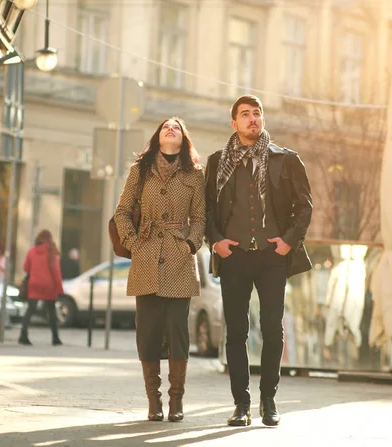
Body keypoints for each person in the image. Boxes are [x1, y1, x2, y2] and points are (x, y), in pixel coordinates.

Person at [205, 95, 313, 427]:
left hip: (271, 258)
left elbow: (305, 207)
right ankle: (241, 404)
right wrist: (216, 241)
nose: (253, 119)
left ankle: (269, 401)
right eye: (245, 114)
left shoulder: (286, 160)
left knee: (272, 330)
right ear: (234, 123)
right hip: (234, 257)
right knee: (236, 332)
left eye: (257, 114)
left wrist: (288, 241)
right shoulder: (216, 162)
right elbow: (205, 209)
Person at [114, 117, 205, 422]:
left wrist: (190, 245)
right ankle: (154, 401)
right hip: (146, 257)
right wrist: (133, 242)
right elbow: (123, 212)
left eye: (177, 127)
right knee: (148, 333)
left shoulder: (195, 175)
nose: (170, 129)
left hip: (180, 260)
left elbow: (200, 219)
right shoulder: (140, 171)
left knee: (178, 332)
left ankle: (176, 400)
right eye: (166, 126)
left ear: (183, 139)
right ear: (158, 135)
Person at [19, 230, 64, 346]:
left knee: (30, 310)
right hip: (49, 286)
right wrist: (60, 289)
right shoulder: (51, 251)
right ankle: (55, 338)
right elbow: (56, 272)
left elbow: (25, 268)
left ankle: (23, 335)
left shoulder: (31, 251)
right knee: (51, 312)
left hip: (34, 284)